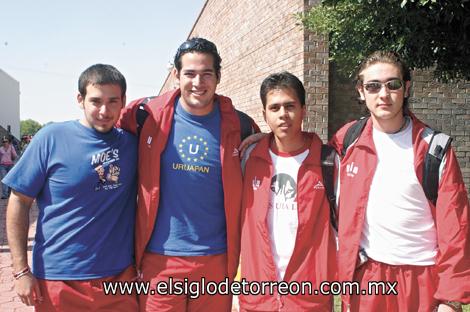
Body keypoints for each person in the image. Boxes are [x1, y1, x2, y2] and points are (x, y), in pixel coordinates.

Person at [119, 37, 259, 311]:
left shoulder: (240, 125)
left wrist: (265, 139)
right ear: (176, 75)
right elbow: (104, 128)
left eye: (207, 74)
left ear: (218, 76)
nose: (198, 82)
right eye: (190, 74)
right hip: (159, 260)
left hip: (217, 260)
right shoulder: (145, 115)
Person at [329, 51, 470, 311]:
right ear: (361, 92)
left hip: (423, 278)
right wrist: (264, 139)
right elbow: (309, 159)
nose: (383, 94)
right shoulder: (347, 139)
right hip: (368, 276)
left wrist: (451, 298)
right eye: (373, 86)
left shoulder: (434, 147)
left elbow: (456, 226)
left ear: (406, 88)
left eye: (392, 84)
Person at [4, 64, 138, 311]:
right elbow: (19, 202)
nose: (104, 111)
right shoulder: (51, 138)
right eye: (96, 101)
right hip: (60, 279)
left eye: (113, 101)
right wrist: (21, 270)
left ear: (123, 101)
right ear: (80, 99)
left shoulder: (133, 145)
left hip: (119, 279)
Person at [239, 72, 336, 311]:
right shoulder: (248, 158)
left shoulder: (330, 162)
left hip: (309, 297)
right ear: (264, 115)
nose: (283, 114)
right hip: (258, 296)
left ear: (303, 109)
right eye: (274, 108)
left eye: (290, 106)